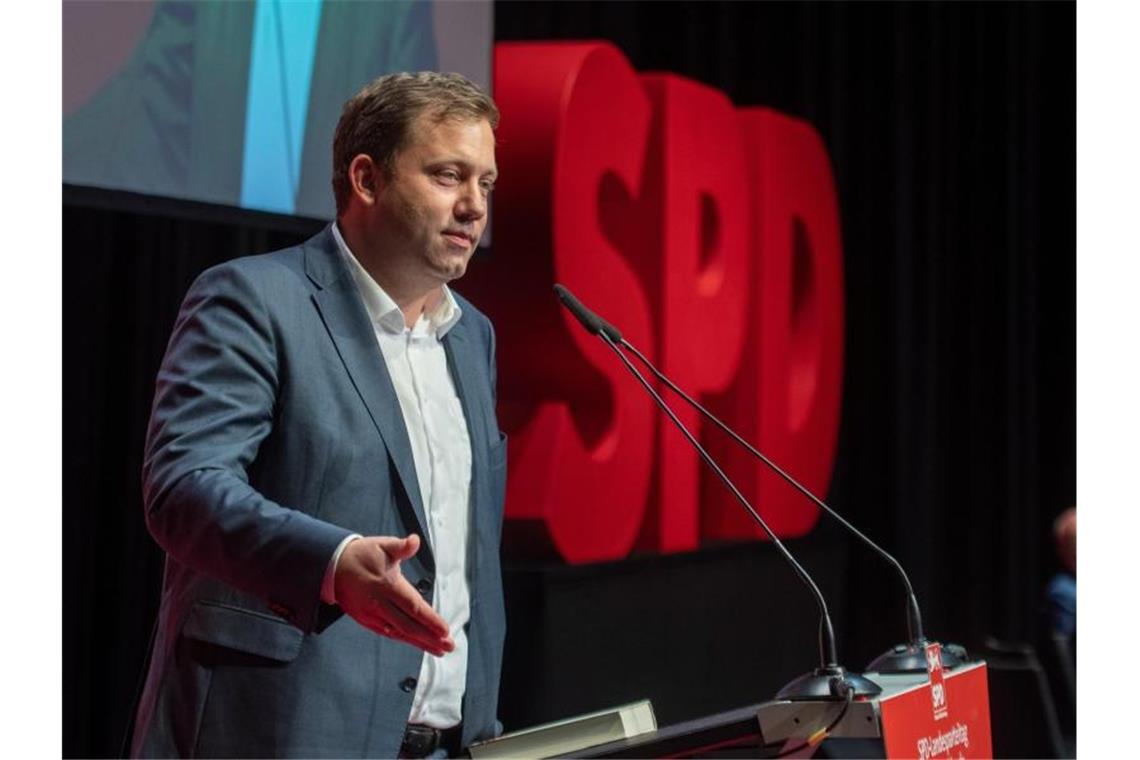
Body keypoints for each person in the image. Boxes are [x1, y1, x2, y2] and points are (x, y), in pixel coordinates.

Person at [131, 71, 507, 758]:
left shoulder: (472, 336)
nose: (473, 207)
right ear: (367, 179)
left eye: (485, 184)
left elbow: (467, 554)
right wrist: (331, 562)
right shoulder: (255, 302)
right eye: (449, 176)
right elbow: (183, 487)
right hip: (282, 733)